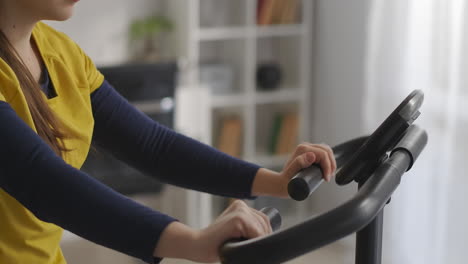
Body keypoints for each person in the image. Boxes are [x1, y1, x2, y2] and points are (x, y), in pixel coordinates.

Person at [0, 0, 337, 263]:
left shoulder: (60, 53)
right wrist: (190, 241)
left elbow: (154, 146)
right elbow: (46, 184)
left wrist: (276, 182)